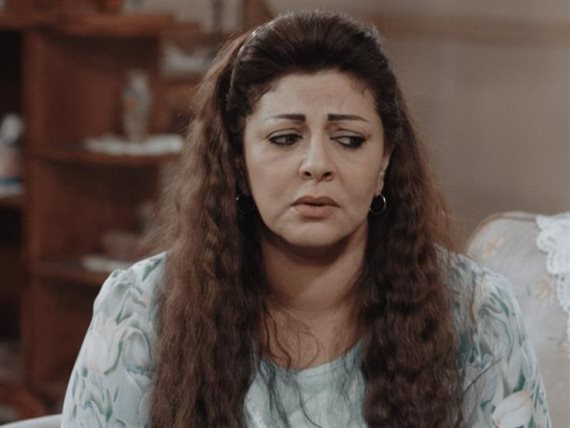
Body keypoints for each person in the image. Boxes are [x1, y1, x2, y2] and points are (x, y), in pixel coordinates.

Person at [61, 10, 551, 428]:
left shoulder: (475, 313)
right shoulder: (139, 311)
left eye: (349, 140)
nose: (317, 164)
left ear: (384, 163)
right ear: (237, 161)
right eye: (285, 138)